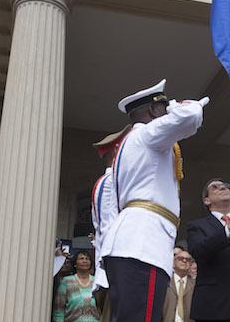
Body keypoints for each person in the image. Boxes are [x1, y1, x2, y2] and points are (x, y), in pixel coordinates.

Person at [100, 78, 208, 321]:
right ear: (152, 110)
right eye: (163, 106)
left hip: (133, 243)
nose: (167, 110)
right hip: (142, 244)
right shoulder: (148, 134)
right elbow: (190, 117)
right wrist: (180, 105)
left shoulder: (133, 142)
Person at [187, 178, 230, 322]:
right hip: (213, 306)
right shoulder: (197, 226)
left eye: (225, 186)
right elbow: (199, 251)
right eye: (215, 187)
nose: (222, 188)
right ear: (207, 200)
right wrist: (229, 228)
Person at [90, 125, 131, 321]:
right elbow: (108, 228)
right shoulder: (109, 182)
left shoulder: (116, 181)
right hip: (113, 272)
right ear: (117, 151)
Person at [53, 252, 100, 322]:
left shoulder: (97, 282)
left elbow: (102, 308)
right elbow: (58, 310)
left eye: (87, 259)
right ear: (75, 263)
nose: (85, 261)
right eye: (81, 258)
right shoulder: (66, 281)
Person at [163, 250, 196, 322]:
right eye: (180, 258)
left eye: (188, 259)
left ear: (190, 264)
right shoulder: (165, 282)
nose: (184, 260)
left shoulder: (195, 285)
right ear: (173, 263)